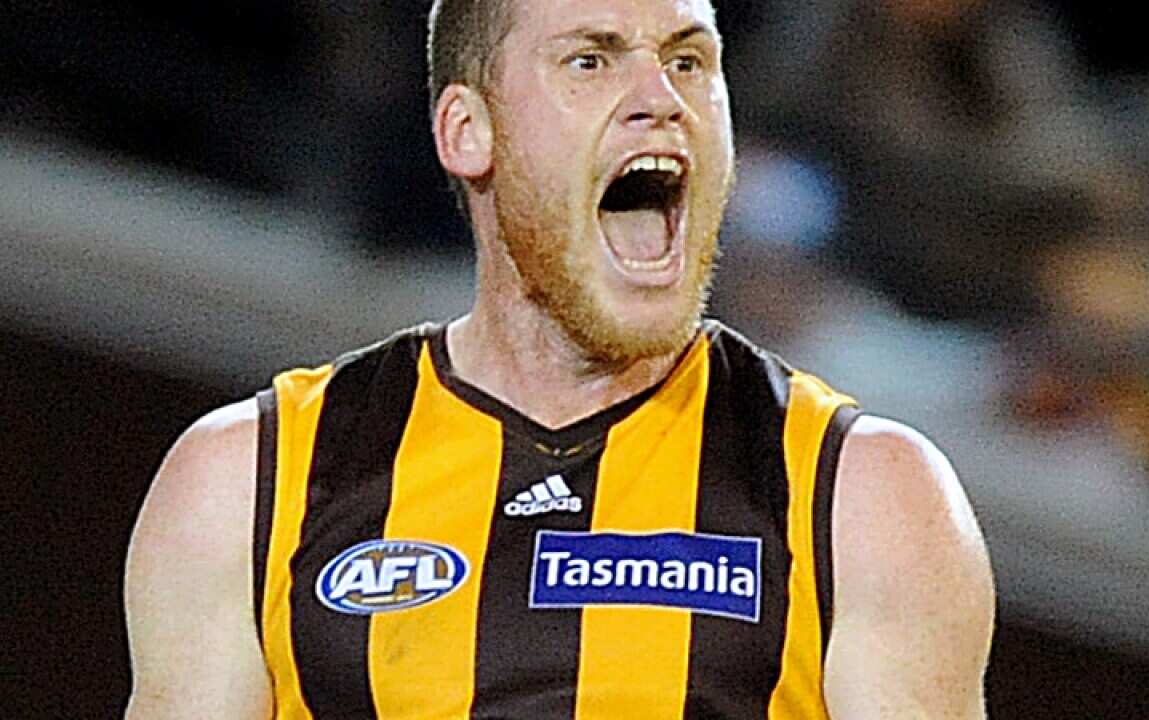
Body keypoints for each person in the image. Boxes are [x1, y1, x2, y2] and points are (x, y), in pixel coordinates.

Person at [124, 0, 995, 717]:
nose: (662, 98)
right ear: (468, 130)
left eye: (691, 64)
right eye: (592, 61)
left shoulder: (868, 500)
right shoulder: (248, 482)